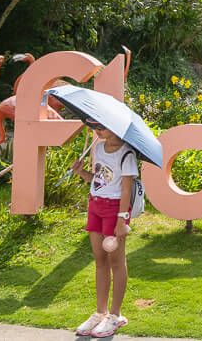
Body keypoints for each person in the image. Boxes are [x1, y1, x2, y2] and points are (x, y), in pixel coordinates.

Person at [69, 123, 138, 337]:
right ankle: (100, 313)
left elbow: (126, 188)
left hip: (114, 209)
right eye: (96, 125)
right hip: (95, 205)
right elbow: (99, 181)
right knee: (100, 260)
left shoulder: (127, 154)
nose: (98, 129)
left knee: (116, 261)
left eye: (103, 126)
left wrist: (121, 219)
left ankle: (115, 316)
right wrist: (82, 173)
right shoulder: (98, 149)